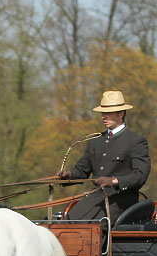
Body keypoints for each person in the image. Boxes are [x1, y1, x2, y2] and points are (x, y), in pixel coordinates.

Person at [58, 90, 151, 221]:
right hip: (95, 198)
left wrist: (114, 181)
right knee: (67, 223)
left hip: (121, 202)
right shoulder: (95, 141)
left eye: (108, 113)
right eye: (102, 113)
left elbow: (140, 176)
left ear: (121, 113)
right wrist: (69, 175)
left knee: (93, 228)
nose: (104, 116)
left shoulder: (135, 141)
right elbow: (82, 171)